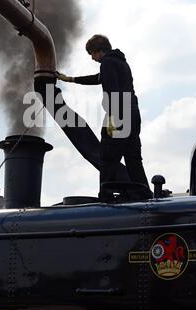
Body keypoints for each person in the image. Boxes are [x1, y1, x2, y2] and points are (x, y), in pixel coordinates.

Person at [56, 34, 151, 201]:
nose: (92, 58)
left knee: (107, 156)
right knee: (133, 157)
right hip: (133, 113)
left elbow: (111, 89)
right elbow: (99, 79)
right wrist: (71, 79)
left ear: (99, 51)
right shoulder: (121, 62)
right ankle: (143, 193)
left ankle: (105, 194)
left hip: (119, 113)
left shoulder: (107, 62)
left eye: (92, 54)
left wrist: (113, 118)